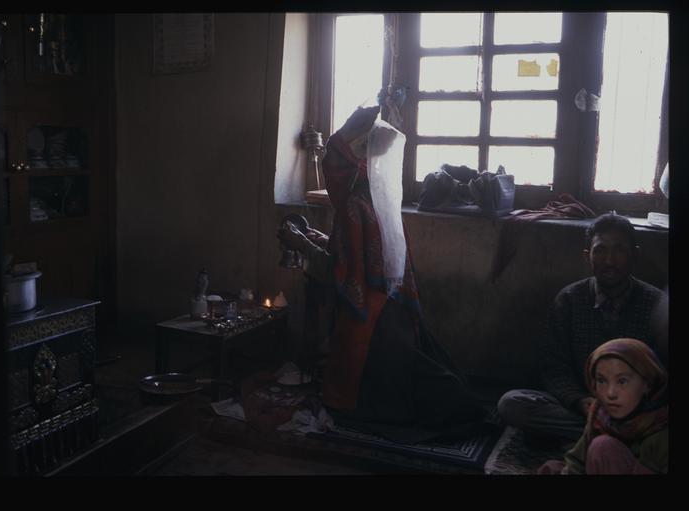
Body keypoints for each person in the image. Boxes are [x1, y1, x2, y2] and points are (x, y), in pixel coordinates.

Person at [278, 105, 487, 443]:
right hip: (393, 313)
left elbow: (339, 273)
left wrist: (301, 244)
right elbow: (353, 255)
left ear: (347, 165)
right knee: (422, 378)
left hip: (369, 324)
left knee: (381, 398)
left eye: (333, 161)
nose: (329, 169)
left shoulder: (352, 205)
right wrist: (315, 239)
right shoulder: (375, 197)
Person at [497, 213, 666, 445]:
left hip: (636, 413)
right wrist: (580, 402)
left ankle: (603, 436)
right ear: (588, 256)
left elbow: (661, 377)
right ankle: (611, 437)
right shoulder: (569, 300)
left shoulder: (656, 304)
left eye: (619, 250)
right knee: (512, 404)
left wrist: (632, 409)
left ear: (633, 255)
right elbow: (553, 366)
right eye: (600, 250)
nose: (609, 260)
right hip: (581, 409)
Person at [537, 338, 668, 474]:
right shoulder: (600, 418)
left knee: (603, 447)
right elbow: (576, 462)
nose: (610, 393)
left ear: (648, 384)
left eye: (622, 381)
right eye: (602, 381)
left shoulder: (660, 430)